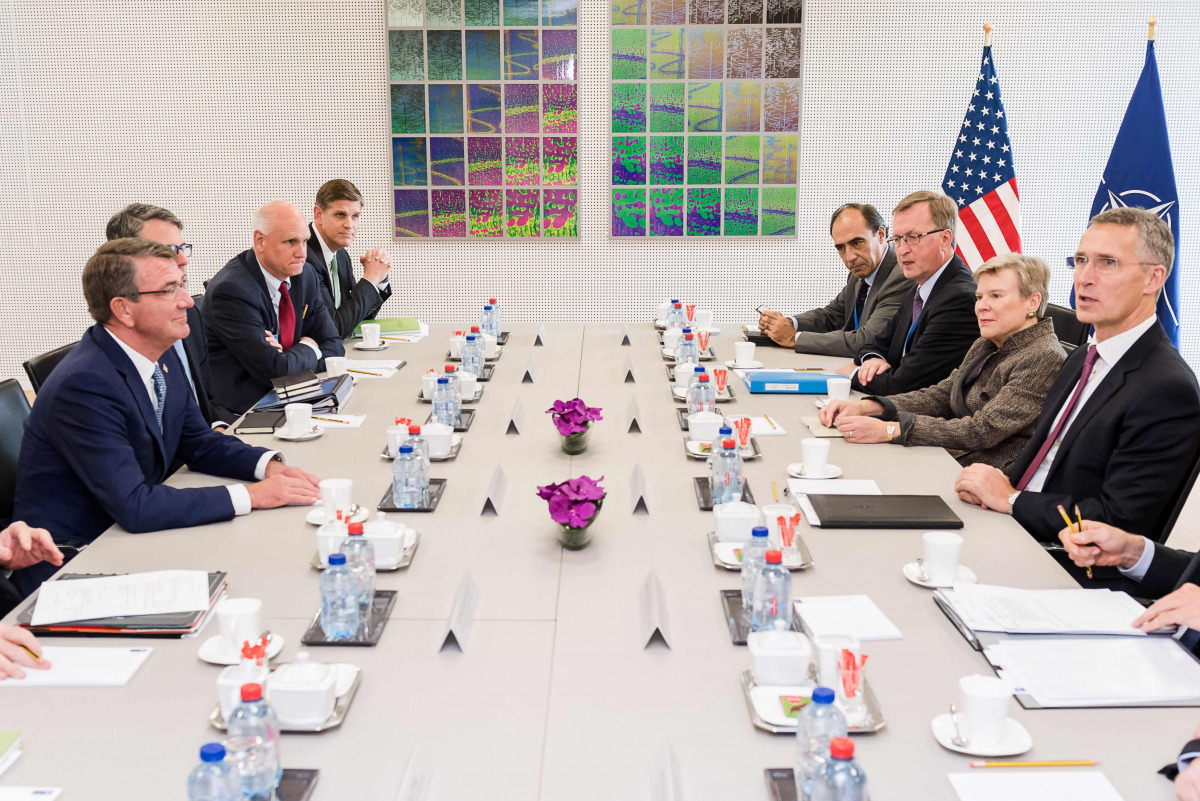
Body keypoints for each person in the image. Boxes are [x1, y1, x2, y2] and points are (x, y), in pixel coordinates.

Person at [11, 238, 322, 595]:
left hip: (127, 537)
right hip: (75, 562)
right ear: (123, 309)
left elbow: (198, 441)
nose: (187, 301)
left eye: (183, 285)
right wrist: (253, 496)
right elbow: (135, 506)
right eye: (169, 290)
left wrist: (268, 466)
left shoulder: (160, 354)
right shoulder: (85, 384)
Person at [955, 207, 1200, 547]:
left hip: (1061, 556)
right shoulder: (1082, 357)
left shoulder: (1167, 388)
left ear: (1153, 278)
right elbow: (1040, 460)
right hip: (1008, 522)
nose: (1084, 277)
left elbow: (1119, 522)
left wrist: (1011, 500)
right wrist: (990, 487)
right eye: (1081, 260)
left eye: (1108, 262)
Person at [818, 253, 1065, 469]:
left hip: (980, 474)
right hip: (951, 457)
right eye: (979, 297)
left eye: (996, 296)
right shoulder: (987, 343)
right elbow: (941, 395)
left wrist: (890, 429)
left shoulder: (1043, 357)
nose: (981, 307)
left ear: (1032, 302)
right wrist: (871, 407)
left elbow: (982, 430)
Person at [204, 201, 344, 420]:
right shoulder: (232, 291)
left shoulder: (305, 276)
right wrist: (310, 346)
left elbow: (334, 345)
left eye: (305, 241)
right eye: (290, 242)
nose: (302, 253)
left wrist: (291, 358)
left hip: (294, 398)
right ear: (260, 241)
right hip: (247, 411)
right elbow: (277, 371)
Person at [833, 191, 978, 395]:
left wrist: (852, 374)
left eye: (912, 237)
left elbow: (903, 385)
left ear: (945, 239)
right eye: (898, 239)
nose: (902, 250)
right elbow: (873, 344)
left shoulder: (959, 300)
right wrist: (873, 359)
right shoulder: (919, 287)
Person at [105, 204, 225, 428]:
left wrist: (218, 428)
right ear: (124, 261)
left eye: (182, 248)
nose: (183, 260)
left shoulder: (189, 315)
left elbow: (204, 398)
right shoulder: (118, 353)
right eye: (167, 250)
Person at [757, 203, 911, 358]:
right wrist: (788, 323)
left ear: (881, 235)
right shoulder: (859, 272)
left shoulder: (900, 276)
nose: (850, 257)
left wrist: (793, 338)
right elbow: (833, 316)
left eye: (857, 243)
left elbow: (867, 341)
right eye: (841, 248)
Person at [305, 179, 393, 339]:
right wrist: (370, 278)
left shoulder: (341, 254)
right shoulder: (304, 257)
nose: (349, 225)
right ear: (319, 215)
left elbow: (355, 318)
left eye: (355, 216)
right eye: (340, 215)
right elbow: (333, 329)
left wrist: (379, 280)